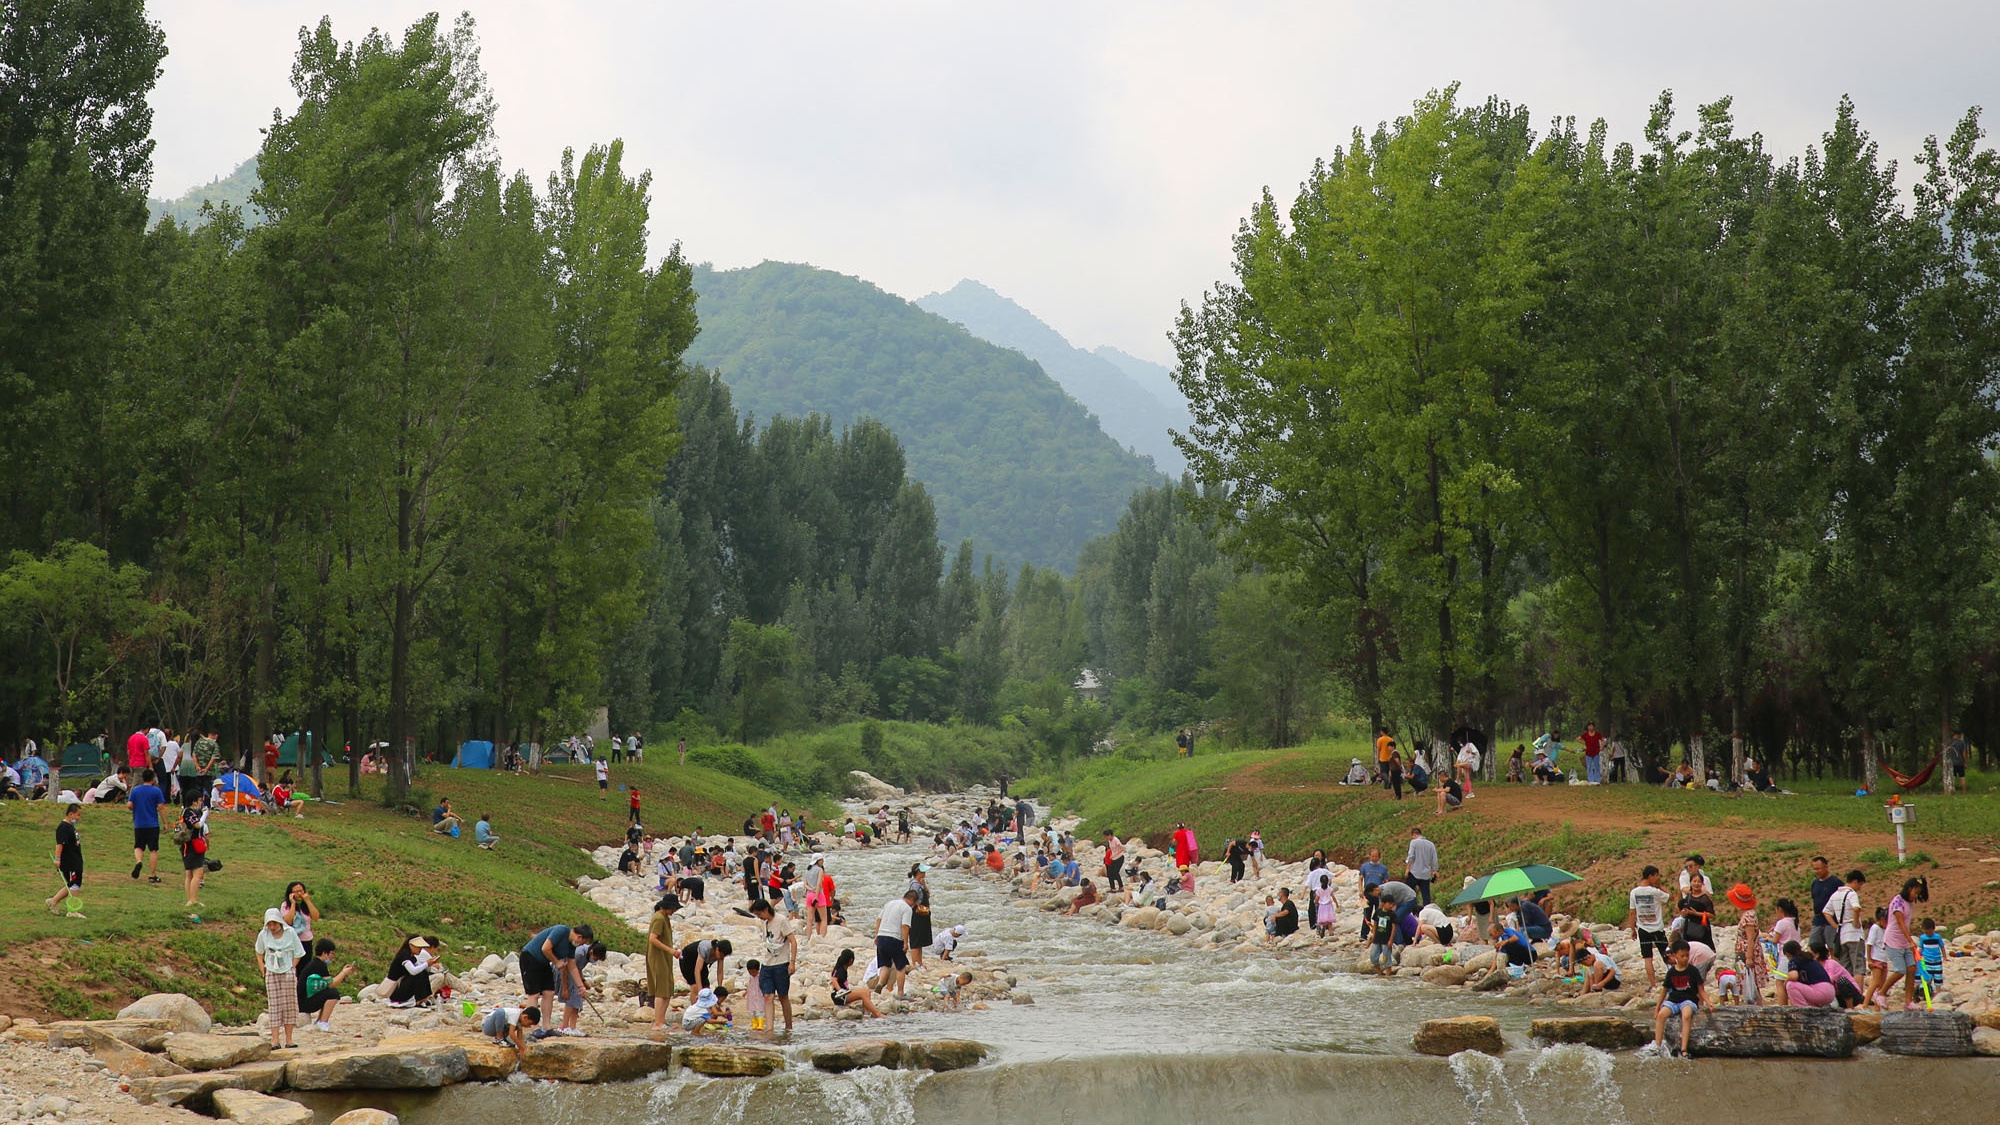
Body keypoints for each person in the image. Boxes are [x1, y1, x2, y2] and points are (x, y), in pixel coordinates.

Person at [521, 924, 595, 1026]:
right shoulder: (561, 931)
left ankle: (546, 1027)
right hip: (530, 957)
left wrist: (580, 986)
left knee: (549, 992)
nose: (582, 945)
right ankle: (531, 1025)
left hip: (544, 963)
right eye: (584, 942)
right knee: (534, 994)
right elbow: (545, 948)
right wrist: (557, 962)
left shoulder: (571, 946)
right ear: (579, 937)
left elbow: (572, 966)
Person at [255, 907, 306, 1049]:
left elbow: (299, 952)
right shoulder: (263, 934)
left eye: (274, 924)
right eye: (269, 924)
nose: (272, 927)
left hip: (287, 969)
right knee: (274, 1005)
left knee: (290, 1004)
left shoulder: (290, 933)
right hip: (271, 970)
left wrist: (292, 966)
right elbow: (258, 951)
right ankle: (275, 1040)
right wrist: (262, 966)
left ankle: (289, 1039)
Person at [1651, 941, 1710, 1057]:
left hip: (1689, 1000)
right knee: (1662, 1015)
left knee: (1686, 1015)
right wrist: (1657, 1008)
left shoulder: (1693, 971)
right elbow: (1664, 991)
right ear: (1674, 956)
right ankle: (1657, 1046)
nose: (1685, 958)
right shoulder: (1671, 972)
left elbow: (1701, 990)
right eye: (1682, 956)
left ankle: (1684, 1048)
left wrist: (1709, 1003)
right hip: (1673, 1000)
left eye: (1687, 955)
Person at [750, 898, 797, 1034]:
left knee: (783, 996)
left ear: (765, 910)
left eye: (759, 914)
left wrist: (792, 962)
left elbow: (793, 942)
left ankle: (789, 1028)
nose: (759, 917)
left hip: (781, 964)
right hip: (767, 964)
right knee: (768, 996)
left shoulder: (781, 920)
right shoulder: (765, 923)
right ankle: (770, 1029)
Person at [1624, 865, 1672, 989]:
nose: (1657, 878)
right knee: (1667, 954)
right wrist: (1660, 886)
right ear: (1651, 876)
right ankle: (1673, 979)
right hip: (1657, 928)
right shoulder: (1654, 891)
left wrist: (1632, 929)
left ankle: (1653, 984)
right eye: (1656, 876)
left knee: (1647, 958)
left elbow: (1632, 912)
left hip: (1643, 929)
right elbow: (1670, 897)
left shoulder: (1634, 892)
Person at [1880, 876, 1925, 1009]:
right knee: (1900, 970)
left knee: (1912, 968)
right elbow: (1900, 923)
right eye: (1915, 892)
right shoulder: (1897, 901)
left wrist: (1909, 941)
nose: (1915, 896)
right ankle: (1881, 993)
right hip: (1894, 940)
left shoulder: (1909, 903)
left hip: (1904, 941)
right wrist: (1911, 940)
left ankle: (1908, 1001)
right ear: (1909, 888)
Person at [299, 938, 355, 1032]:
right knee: (333, 993)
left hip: (303, 1000)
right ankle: (323, 1022)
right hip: (304, 1003)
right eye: (332, 953)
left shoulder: (315, 963)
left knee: (327, 992)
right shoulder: (319, 965)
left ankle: (320, 1020)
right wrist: (344, 972)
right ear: (325, 953)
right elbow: (332, 984)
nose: (333, 956)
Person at [1725, 883, 1767, 1006]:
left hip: (1746, 953)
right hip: (1744, 951)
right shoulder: (1749, 914)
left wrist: (1749, 957)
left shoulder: (1748, 917)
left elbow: (1750, 939)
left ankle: (1756, 1007)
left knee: (1750, 981)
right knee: (1749, 982)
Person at [645, 894, 680, 1037]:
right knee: (660, 988)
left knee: (666, 987)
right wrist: (670, 950)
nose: (674, 911)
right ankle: (657, 1023)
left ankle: (662, 1020)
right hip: (658, 957)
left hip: (664, 957)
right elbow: (653, 939)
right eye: (673, 908)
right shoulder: (659, 918)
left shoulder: (664, 917)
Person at [126, 768, 167, 883]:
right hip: (152, 824)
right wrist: (165, 823)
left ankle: (139, 861)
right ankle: (152, 875)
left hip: (139, 823)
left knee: (139, 846)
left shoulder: (136, 790)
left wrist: (137, 808)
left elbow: (129, 805)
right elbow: (161, 807)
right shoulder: (156, 791)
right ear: (153, 779)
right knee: (153, 849)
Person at [876, 888, 918, 999]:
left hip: (881, 936)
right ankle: (900, 993)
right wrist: (905, 942)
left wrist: (876, 935)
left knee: (885, 964)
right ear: (913, 901)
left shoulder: (889, 903)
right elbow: (904, 926)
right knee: (901, 966)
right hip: (894, 938)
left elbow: (879, 920)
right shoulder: (907, 908)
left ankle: (880, 984)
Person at [46, 803, 85, 918]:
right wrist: (57, 859)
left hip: (76, 860)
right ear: (70, 814)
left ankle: (53, 901)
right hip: (69, 862)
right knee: (74, 884)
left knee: (73, 883)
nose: (79, 818)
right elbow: (60, 844)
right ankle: (72, 911)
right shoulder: (63, 828)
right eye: (78, 815)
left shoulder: (70, 827)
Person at [1826, 869, 1867, 978]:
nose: (1859, 888)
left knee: (1845, 967)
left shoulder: (1835, 895)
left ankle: (1846, 993)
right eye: (1860, 885)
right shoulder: (1851, 894)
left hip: (1842, 935)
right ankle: (1858, 993)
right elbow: (1856, 908)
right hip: (1854, 935)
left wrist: (1836, 925)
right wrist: (1855, 921)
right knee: (1858, 967)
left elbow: (1826, 911)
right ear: (1855, 881)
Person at [177, 793, 211, 917]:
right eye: (199, 800)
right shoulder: (189, 813)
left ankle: (191, 899)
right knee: (197, 873)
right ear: (194, 801)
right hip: (193, 846)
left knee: (189, 874)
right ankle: (193, 899)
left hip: (188, 846)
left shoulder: (185, 811)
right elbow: (197, 825)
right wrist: (205, 815)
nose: (201, 803)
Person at [1776, 940, 1836, 1007]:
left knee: (1790, 985)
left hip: (1820, 992)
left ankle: (1801, 1009)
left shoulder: (1794, 960)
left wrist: (1786, 981)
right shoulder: (1809, 958)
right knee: (1802, 987)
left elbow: (1793, 976)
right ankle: (1813, 1009)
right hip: (1830, 992)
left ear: (1788, 954)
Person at [385, 935, 438, 1008]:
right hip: (395, 991)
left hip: (402, 988)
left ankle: (423, 999)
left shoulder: (412, 957)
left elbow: (421, 968)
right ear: (410, 945)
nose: (420, 949)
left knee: (423, 973)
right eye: (419, 947)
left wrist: (429, 964)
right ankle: (419, 1000)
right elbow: (413, 971)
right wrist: (426, 963)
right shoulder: (404, 956)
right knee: (418, 974)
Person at [829, 948, 883, 1018]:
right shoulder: (841, 970)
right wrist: (840, 990)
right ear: (851, 960)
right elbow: (833, 980)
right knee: (863, 994)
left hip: (841, 994)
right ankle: (877, 1014)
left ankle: (867, 1013)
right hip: (840, 997)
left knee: (866, 991)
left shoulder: (840, 967)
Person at [1807, 856, 1842, 951]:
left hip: (1831, 920)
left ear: (1826, 867)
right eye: (1814, 869)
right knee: (1813, 948)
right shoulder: (1815, 883)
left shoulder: (1835, 882)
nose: (1816, 871)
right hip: (1818, 920)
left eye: (1818, 868)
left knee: (1833, 949)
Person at [1915, 917, 1948, 1005]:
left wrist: (1944, 957)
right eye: (1926, 930)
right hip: (1927, 960)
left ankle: (1938, 993)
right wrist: (1917, 955)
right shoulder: (1923, 937)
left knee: (1938, 977)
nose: (1928, 933)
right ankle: (1926, 993)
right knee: (1927, 978)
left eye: (1929, 930)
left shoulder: (1937, 937)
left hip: (1937, 960)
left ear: (1933, 929)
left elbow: (1942, 947)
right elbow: (1921, 947)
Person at [907, 864, 933, 968]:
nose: (925, 873)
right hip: (917, 915)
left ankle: (920, 962)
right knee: (915, 939)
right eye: (923, 871)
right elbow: (912, 899)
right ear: (919, 872)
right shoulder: (914, 885)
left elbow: (928, 895)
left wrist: (925, 886)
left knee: (920, 940)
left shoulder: (920, 883)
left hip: (922, 914)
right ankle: (915, 964)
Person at [1404, 826, 1437, 906]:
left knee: (1407, 892)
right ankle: (1427, 911)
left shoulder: (1414, 842)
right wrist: (1435, 870)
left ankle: (1410, 910)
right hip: (1425, 874)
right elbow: (1434, 858)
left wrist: (1407, 868)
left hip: (1414, 872)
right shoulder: (1431, 844)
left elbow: (1411, 856)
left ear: (1414, 835)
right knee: (1426, 896)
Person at [280, 881, 320, 948]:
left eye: (301, 891)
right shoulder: (285, 905)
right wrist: (293, 904)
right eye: (296, 891)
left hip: (306, 940)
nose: (299, 893)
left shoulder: (306, 905)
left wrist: (307, 901)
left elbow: (316, 917)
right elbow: (289, 921)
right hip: (291, 940)